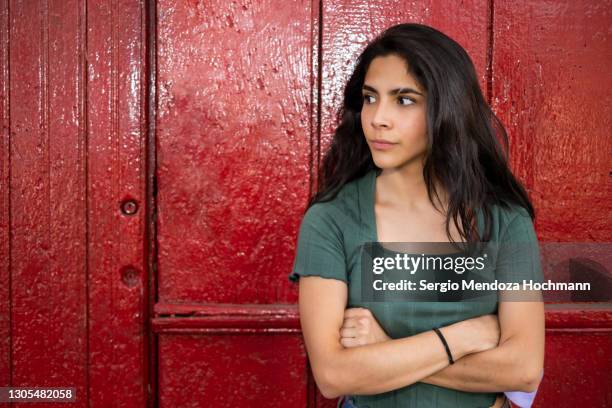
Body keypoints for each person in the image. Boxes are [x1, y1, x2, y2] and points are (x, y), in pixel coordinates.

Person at [288, 23, 545, 408]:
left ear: (448, 108)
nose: (378, 118)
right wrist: (464, 337)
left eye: (404, 100)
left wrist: (386, 348)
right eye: (371, 98)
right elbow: (333, 375)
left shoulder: (504, 220)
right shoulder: (332, 220)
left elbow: (523, 368)